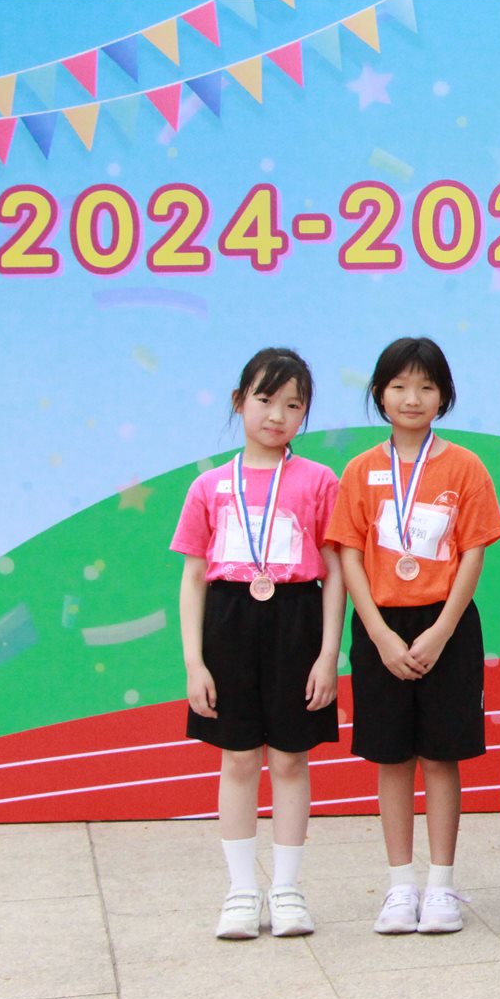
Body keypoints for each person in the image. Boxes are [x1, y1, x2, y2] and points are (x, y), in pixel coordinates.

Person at [329, 337, 500, 934]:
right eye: (400, 386)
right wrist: (378, 634)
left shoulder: (464, 467)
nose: (413, 398)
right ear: (379, 394)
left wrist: (442, 631)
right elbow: (350, 555)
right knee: (392, 757)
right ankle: (401, 885)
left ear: (444, 397)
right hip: (381, 628)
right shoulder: (360, 470)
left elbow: (474, 551)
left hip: (445, 626)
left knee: (441, 755)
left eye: (427, 387)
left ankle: (441, 886)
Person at [173, 347, 341, 940]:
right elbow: (193, 576)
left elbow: (335, 572)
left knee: (291, 758)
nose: (277, 415)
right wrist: (194, 662)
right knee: (239, 758)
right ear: (239, 401)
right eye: (265, 400)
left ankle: (288, 890)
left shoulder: (319, 481)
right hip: (229, 621)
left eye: (293, 405)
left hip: (297, 620)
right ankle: (241, 891)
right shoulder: (209, 486)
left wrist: (328, 654)